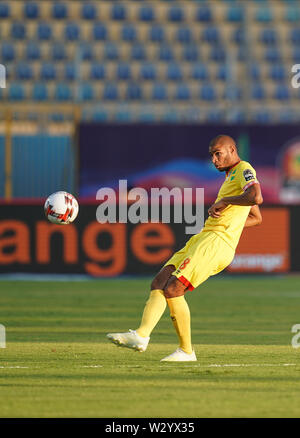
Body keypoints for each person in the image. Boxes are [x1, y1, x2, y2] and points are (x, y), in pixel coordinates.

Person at [107, 135, 263, 362]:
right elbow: (256, 218)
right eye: (211, 155)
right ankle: (141, 335)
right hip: (204, 237)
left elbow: (255, 196)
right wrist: (232, 216)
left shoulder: (244, 169)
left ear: (232, 149)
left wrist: (226, 202)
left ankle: (186, 351)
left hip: (215, 242)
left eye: (218, 153)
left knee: (174, 288)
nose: (214, 159)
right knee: (160, 281)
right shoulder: (231, 176)